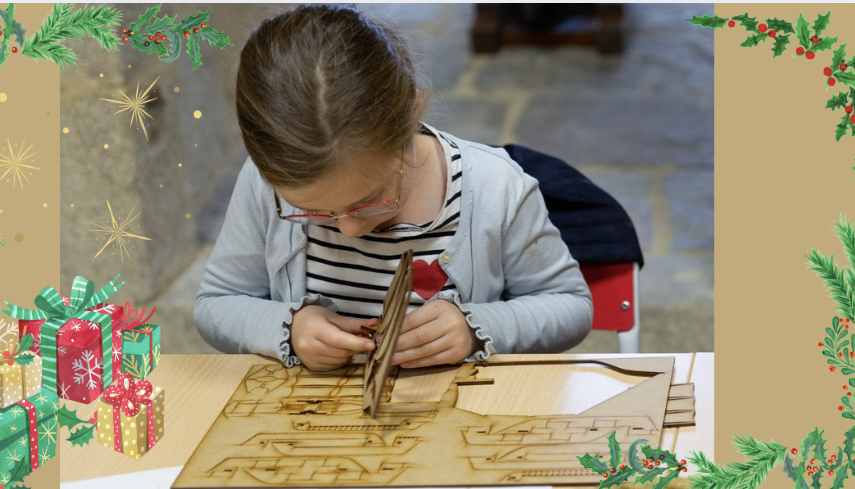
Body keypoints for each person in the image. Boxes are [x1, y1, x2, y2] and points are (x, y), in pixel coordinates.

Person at [194, 4, 592, 372]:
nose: (349, 230)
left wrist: (477, 327)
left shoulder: (496, 190)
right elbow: (216, 305)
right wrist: (288, 326)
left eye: (369, 201)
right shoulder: (265, 186)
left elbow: (571, 308)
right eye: (311, 212)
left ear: (410, 114)